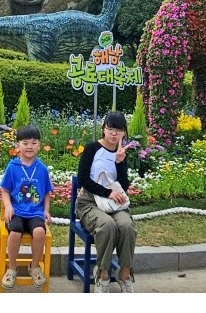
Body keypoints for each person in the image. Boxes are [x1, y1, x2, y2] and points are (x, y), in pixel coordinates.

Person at [77, 111, 136, 293]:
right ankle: (102, 275)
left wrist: (120, 163)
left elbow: (123, 187)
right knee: (108, 225)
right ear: (103, 129)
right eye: (110, 129)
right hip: (89, 202)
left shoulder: (121, 154)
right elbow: (83, 180)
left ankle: (124, 274)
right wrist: (107, 192)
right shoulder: (92, 149)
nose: (113, 134)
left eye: (118, 130)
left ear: (124, 133)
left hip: (113, 204)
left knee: (127, 226)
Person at [0, 125, 54, 289]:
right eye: (25, 142)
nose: (29, 146)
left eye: (33, 142)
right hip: (16, 212)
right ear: (18, 146)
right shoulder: (12, 167)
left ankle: (34, 266)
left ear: (39, 145)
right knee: (15, 232)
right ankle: (12, 268)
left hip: (35, 213)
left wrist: (46, 210)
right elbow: (5, 190)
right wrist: (8, 206)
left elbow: (46, 193)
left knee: (39, 232)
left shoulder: (42, 168)